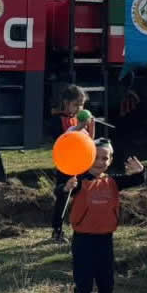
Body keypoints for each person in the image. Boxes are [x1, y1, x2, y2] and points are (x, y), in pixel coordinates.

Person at [61, 139, 145, 293]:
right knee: (84, 281)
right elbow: (61, 193)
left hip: (105, 240)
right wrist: (65, 188)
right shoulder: (79, 181)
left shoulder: (113, 181)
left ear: (110, 160)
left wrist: (141, 171)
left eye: (104, 158)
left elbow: (137, 180)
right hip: (83, 240)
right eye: (95, 157)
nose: (100, 162)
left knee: (106, 280)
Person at [51, 84, 95, 242]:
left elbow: (88, 140)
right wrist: (78, 127)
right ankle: (57, 230)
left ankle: (83, 225)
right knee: (63, 195)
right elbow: (63, 139)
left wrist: (91, 126)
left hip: (81, 163)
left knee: (83, 194)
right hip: (65, 163)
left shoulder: (79, 119)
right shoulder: (59, 119)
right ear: (66, 103)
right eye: (76, 104)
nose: (79, 108)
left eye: (82, 104)